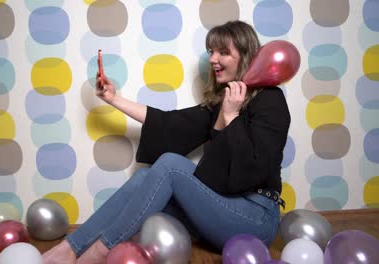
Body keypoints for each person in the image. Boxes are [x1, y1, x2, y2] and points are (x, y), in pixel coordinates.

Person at [42, 20, 290, 264]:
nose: (213, 59)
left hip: (255, 219)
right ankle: (69, 248)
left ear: (247, 57)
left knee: (171, 165)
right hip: (221, 210)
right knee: (143, 178)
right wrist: (114, 99)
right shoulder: (221, 103)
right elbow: (169, 124)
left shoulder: (271, 100)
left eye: (223, 52)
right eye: (211, 51)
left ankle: (101, 252)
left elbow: (253, 168)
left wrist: (232, 118)